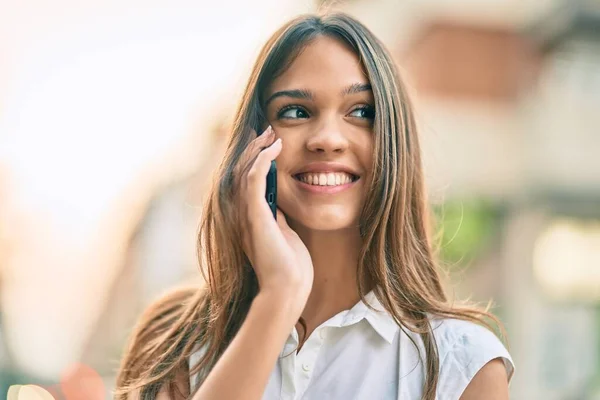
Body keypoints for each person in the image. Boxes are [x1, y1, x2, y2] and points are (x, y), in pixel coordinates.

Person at [115, 12, 514, 400]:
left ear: (393, 141)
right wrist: (279, 296)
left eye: (361, 112)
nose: (327, 138)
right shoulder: (175, 338)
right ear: (252, 144)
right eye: (296, 112)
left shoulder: (463, 365)